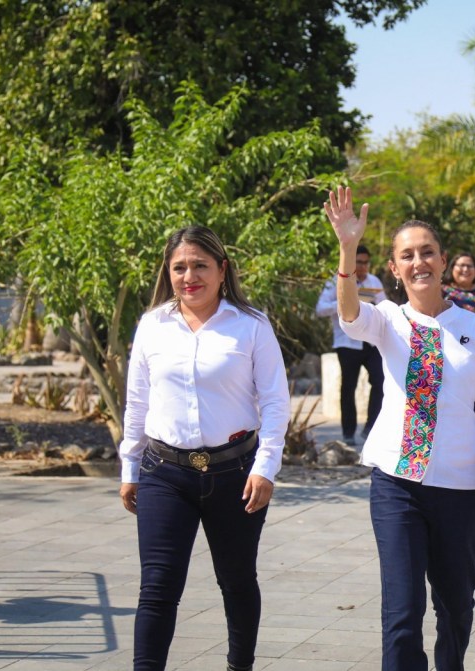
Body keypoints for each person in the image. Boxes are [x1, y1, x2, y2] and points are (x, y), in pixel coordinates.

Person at [322, 186, 475, 671]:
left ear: (443, 260)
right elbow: (349, 315)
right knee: (403, 613)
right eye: (407, 255)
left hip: (459, 487)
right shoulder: (388, 319)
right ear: (394, 268)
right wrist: (347, 248)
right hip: (397, 486)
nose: (419, 262)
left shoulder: (474, 327)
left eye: (427, 252)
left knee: (457, 608)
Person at [118, 226, 291, 671]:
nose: (189, 276)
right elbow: (137, 402)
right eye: (179, 267)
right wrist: (129, 468)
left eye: (200, 266)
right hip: (164, 473)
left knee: (237, 581)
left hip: (236, 475)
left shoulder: (251, 325)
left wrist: (266, 467)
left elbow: (275, 401)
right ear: (168, 272)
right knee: (157, 587)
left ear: (222, 270)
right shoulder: (152, 325)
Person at [315, 244, 386, 446]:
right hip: (347, 342)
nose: (362, 267)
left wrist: (370, 306)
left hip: (371, 342)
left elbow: (385, 307)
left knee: (380, 382)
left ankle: (371, 427)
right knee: (349, 387)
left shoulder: (374, 281)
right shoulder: (335, 281)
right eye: (358, 262)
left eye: (365, 263)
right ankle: (348, 432)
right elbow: (320, 309)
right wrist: (345, 302)